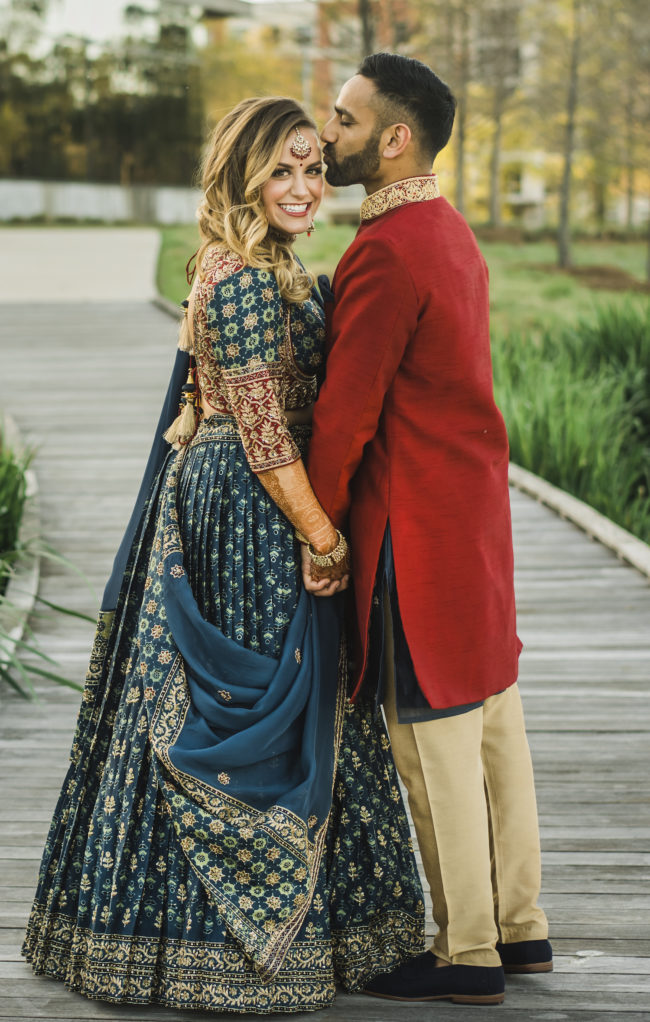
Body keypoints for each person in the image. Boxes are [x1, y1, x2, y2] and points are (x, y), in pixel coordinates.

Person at [22, 96, 426, 1013]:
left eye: (311, 166)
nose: (300, 185)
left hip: (227, 498)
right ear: (242, 177)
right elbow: (264, 436)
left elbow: (205, 401)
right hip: (249, 513)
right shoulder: (246, 279)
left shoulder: (244, 264)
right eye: (278, 170)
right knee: (268, 698)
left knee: (294, 698)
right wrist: (324, 539)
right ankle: (235, 950)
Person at [303, 54, 551, 1006]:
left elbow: (344, 419)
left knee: (431, 747)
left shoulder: (390, 249)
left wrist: (319, 535)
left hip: (415, 533)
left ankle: (468, 954)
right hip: (475, 525)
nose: (329, 136)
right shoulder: (450, 232)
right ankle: (523, 931)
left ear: (394, 137)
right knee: (495, 731)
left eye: (344, 120)